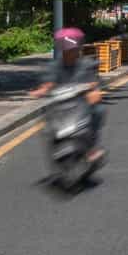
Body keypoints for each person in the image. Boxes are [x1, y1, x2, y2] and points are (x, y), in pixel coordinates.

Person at [34, 26, 104, 165]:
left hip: (81, 103)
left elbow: (94, 82)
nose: (70, 52)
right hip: (61, 103)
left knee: (98, 111)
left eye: (73, 49)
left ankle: (91, 149)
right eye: (67, 49)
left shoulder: (86, 64)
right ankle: (55, 144)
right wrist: (41, 90)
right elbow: (49, 82)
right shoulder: (55, 66)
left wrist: (94, 91)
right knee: (45, 120)